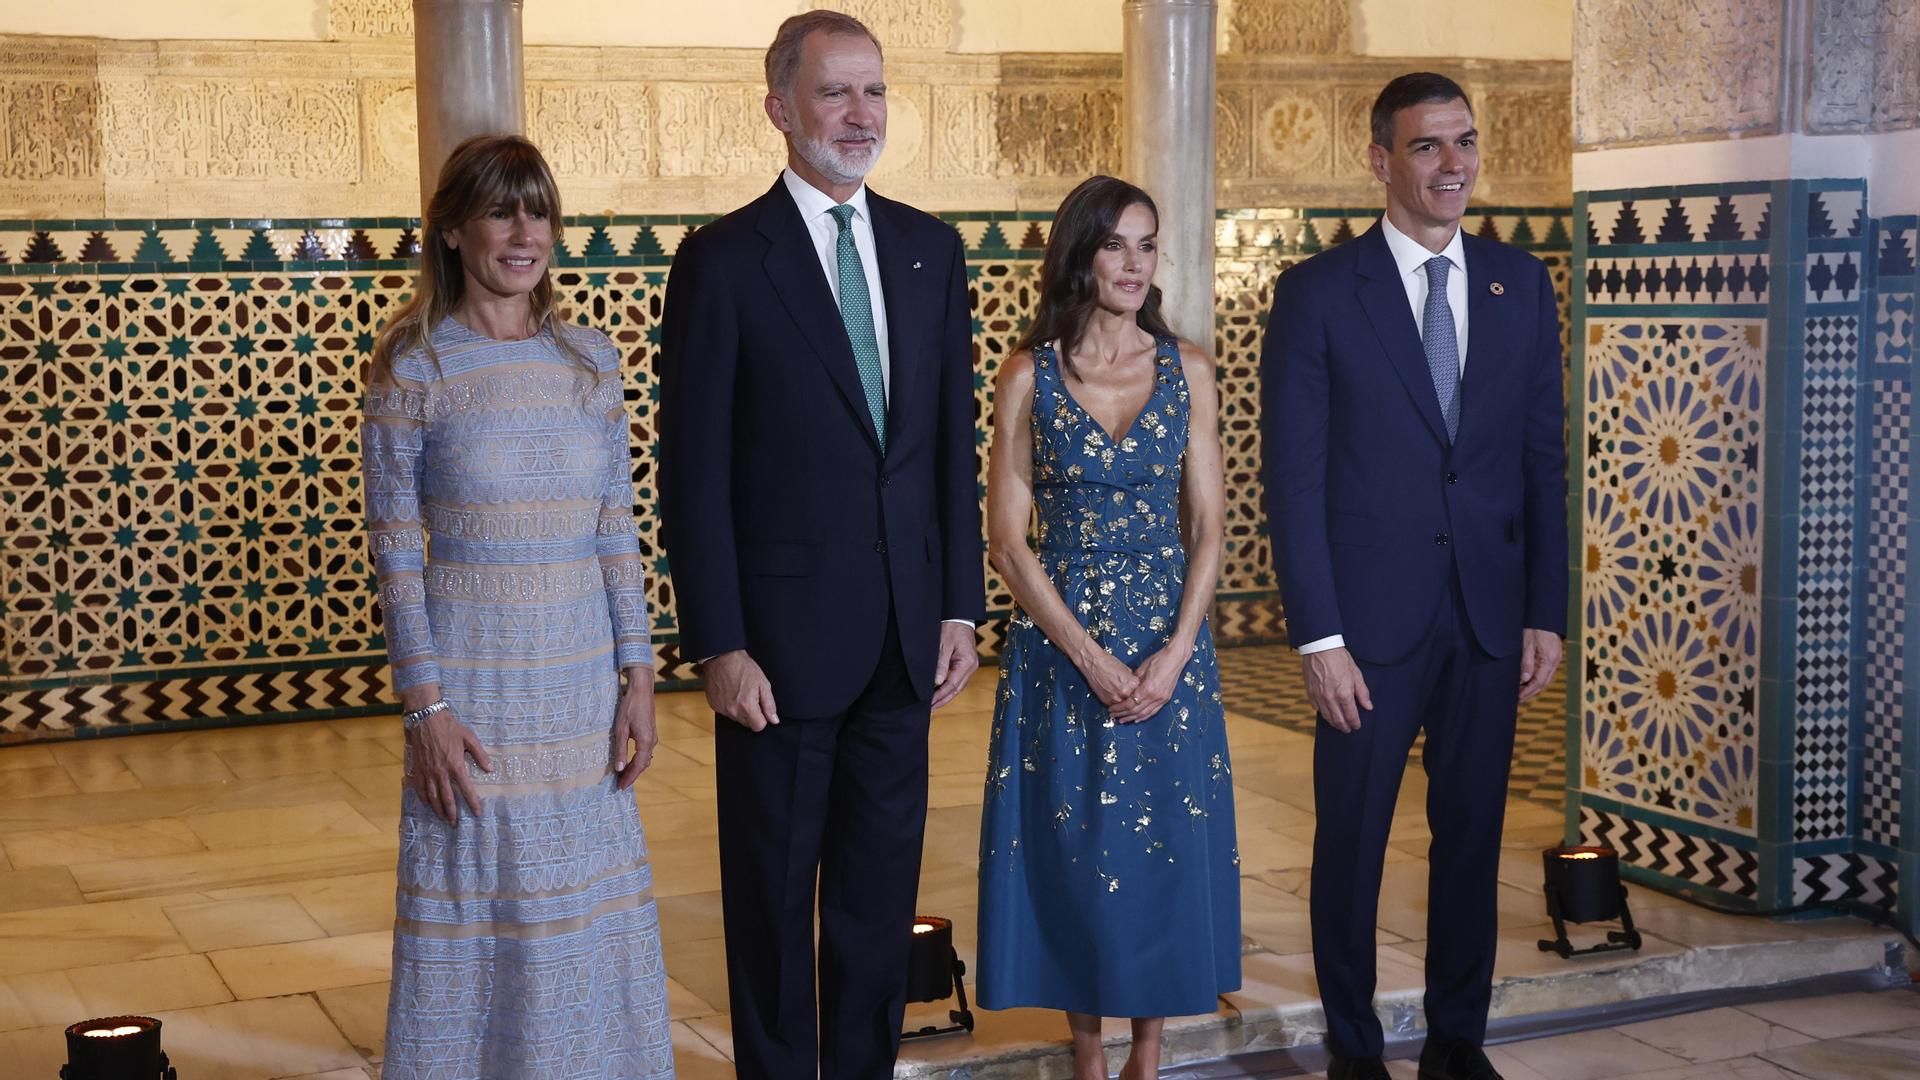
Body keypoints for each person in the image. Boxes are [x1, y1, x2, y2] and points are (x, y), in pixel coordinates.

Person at [655, 11, 985, 1079]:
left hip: (902, 641)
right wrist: (719, 642)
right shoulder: (720, 261)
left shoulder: (933, 252)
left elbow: (946, 451)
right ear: (779, 109)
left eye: (874, 92)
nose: (859, 115)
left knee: (876, 905)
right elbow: (693, 470)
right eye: (836, 93)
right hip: (779, 653)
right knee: (770, 899)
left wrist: (959, 607)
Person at [1260, 73, 1568, 1080]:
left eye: (1465, 143)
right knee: (1350, 845)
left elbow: (1540, 463)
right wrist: (1318, 638)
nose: (1454, 165)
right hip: (1367, 630)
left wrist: (1544, 613)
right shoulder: (1316, 293)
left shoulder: (1519, 285)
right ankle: (1355, 1051)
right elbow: (1294, 481)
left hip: (1487, 618)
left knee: (1473, 841)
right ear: (1380, 160)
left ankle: (1456, 1043)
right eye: (1429, 146)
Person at [361, 133, 673, 1079]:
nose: (523, 232)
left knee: (581, 913)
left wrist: (640, 674)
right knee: (483, 915)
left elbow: (617, 528)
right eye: (501, 211)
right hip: (475, 705)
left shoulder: (590, 360)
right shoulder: (413, 366)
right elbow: (396, 554)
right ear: (452, 231)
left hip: (580, 696)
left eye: (537, 211)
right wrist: (426, 709)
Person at [977, 175, 1241, 1080]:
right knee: (1078, 845)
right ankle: (1088, 1057)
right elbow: (1008, 543)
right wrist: (1087, 655)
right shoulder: (1026, 373)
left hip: (1171, 643)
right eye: (1117, 244)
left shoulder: (1190, 368)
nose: (1135, 264)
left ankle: (1150, 1056)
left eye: (1149, 245)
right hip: (1064, 643)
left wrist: (1173, 654)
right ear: (1080, 253)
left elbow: (1209, 525)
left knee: (1166, 842)